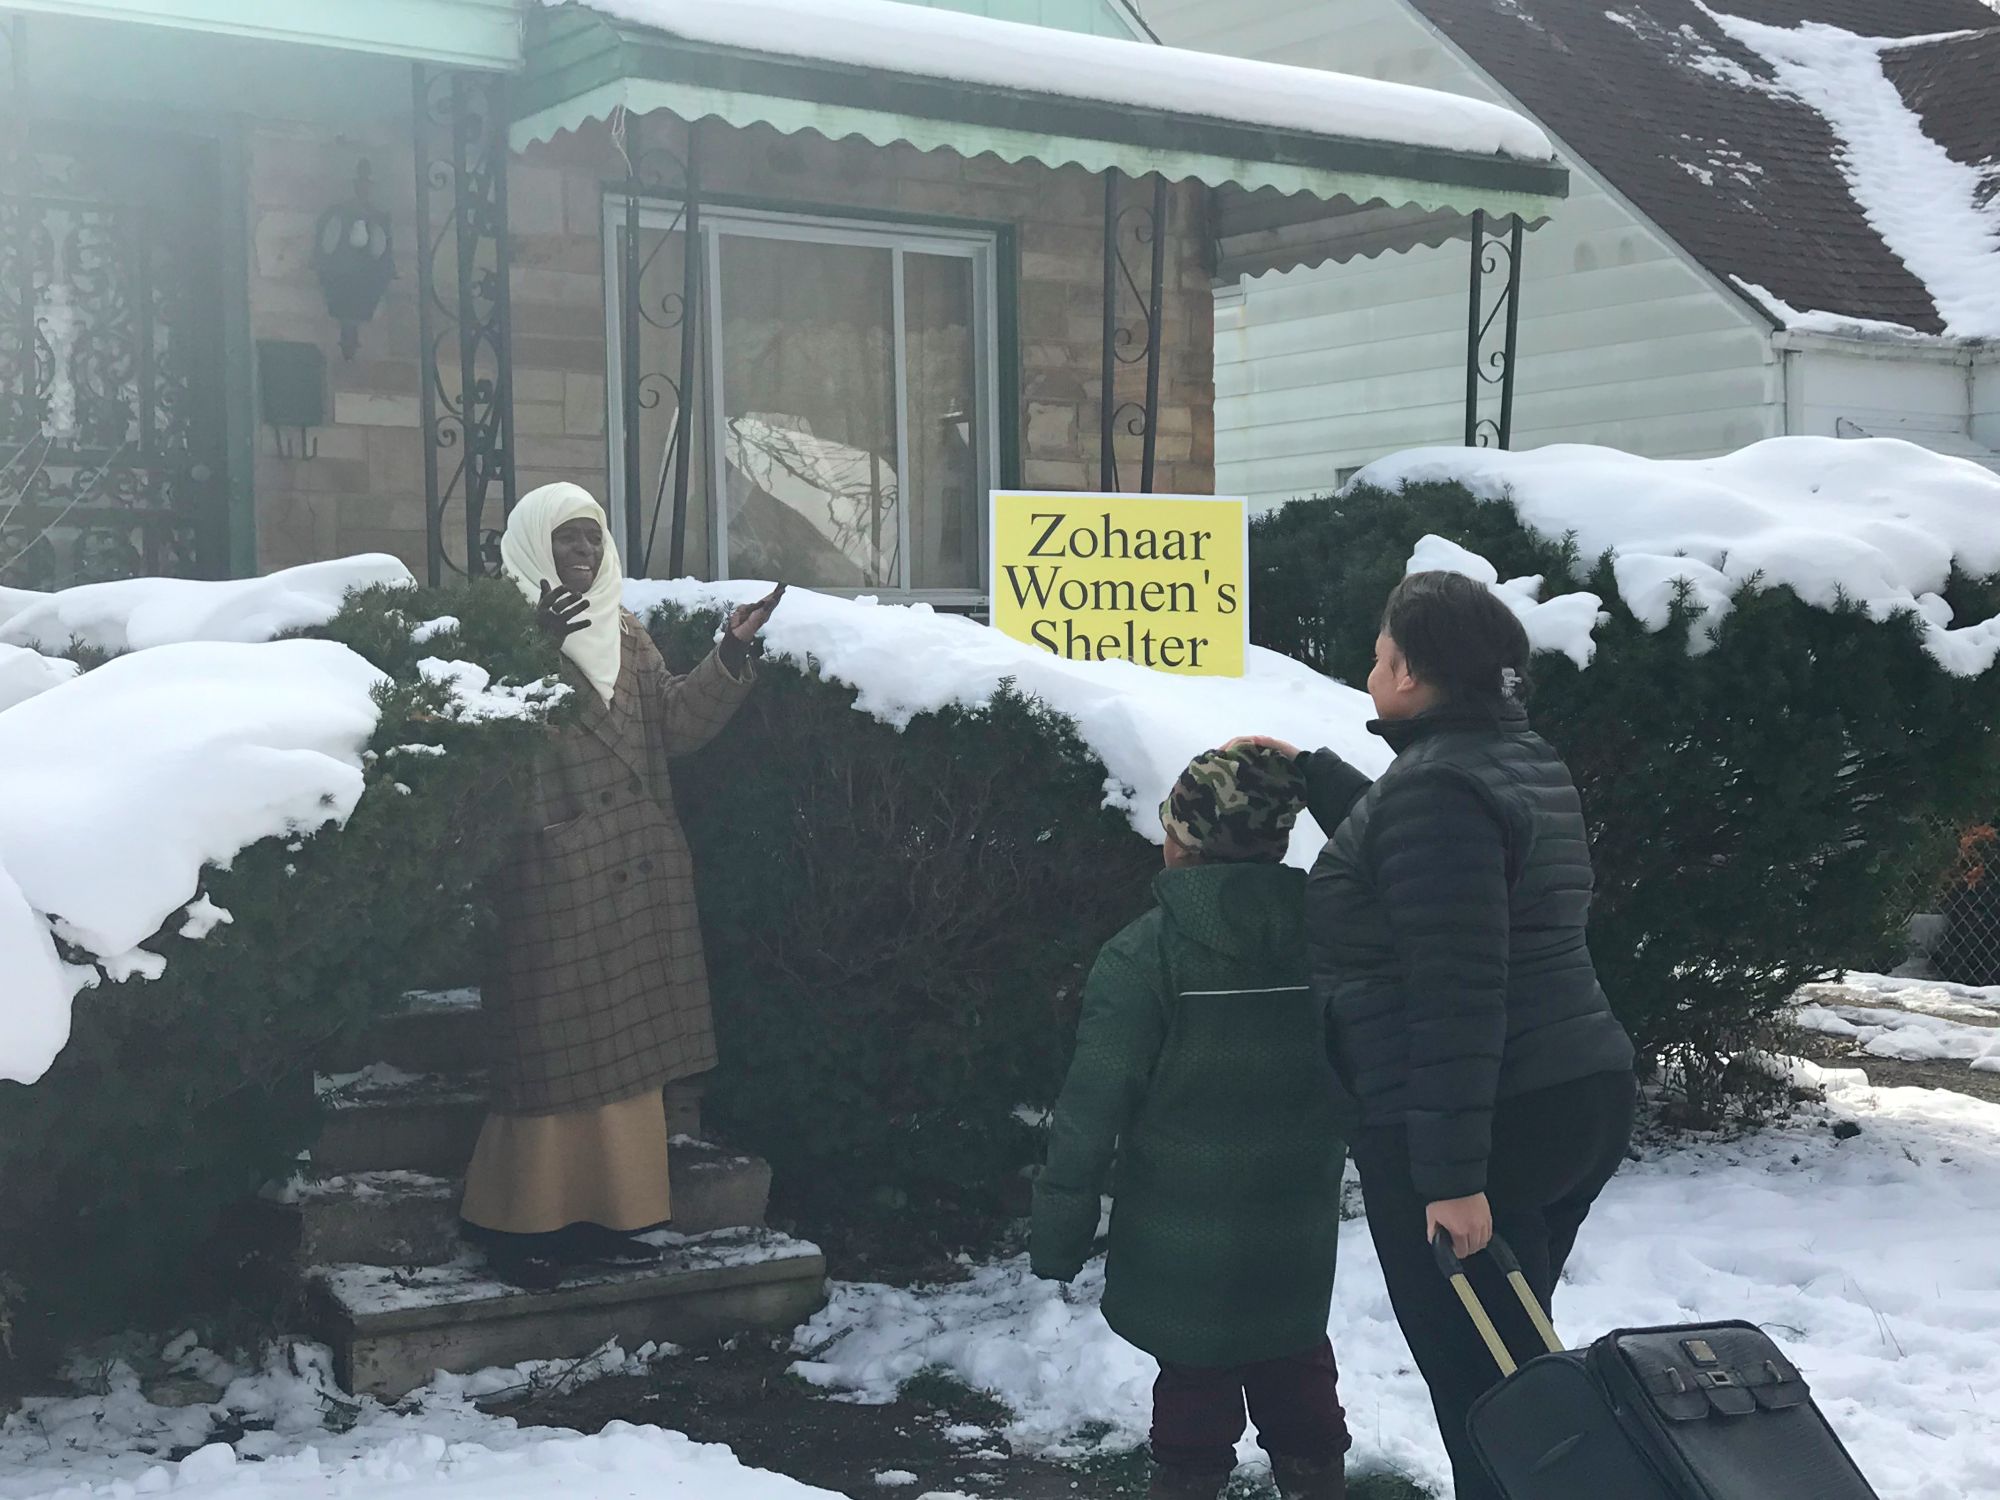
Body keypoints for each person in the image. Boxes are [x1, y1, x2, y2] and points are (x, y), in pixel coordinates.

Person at [1244, 571, 1636, 1500]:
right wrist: (1313, 773)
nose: (1371, 671)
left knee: (1489, 1402)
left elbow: (1455, 990)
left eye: (1380, 656)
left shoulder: (1437, 790)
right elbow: (1418, 866)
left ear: (1412, 672)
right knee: (1515, 1373)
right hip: (1572, 1091)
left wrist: (1452, 1179)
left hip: (1488, 1124)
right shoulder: (1509, 758)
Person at [459, 482, 781, 1290]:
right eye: (566, 538)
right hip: (548, 876)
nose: (583, 551)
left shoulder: (625, 630)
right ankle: (515, 1225)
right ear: (533, 542)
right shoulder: (494, 630)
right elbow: (479, 741)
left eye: (593, 537)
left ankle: (609, 1219)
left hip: (635, 869)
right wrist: (528, 649)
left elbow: (672, 723)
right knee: (552, 1055)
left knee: (626, 1062)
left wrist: (729, 653)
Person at [1032, 746, 1351, 1500]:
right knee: (1297, 1362)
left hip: (1180, 1225)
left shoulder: (1145, 954)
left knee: (1193, 1382)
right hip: (1296, 1212)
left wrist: (1060, 1233)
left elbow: (1092, 1104)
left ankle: (1190, 1482)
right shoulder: (1333, 938)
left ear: (1184, 839)